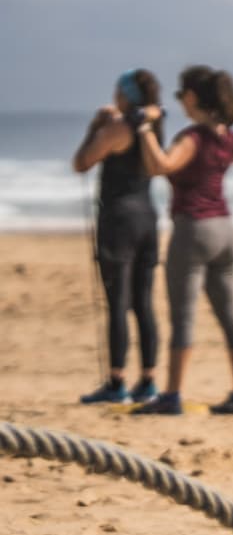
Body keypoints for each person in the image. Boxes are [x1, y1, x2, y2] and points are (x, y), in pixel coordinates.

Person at [130, 66, 233, 416]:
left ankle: (172, 395)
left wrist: (144, 126)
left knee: (184, 316)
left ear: (192, 97)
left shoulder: (192, 138)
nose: (181, 102)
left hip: (193, 229)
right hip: (224, 229)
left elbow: (161, 165)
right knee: (229, 313)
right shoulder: (228, 137)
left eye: (181, 95)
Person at [71, 70, 164, 404]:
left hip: (118, 221)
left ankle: (116, 381)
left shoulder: (118, 128)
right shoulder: (150, 128)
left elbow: (81, 163)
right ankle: (149, 379)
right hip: (147, 218)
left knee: (117, 304)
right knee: (144, 304)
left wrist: (94, 128)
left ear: (127, 97)